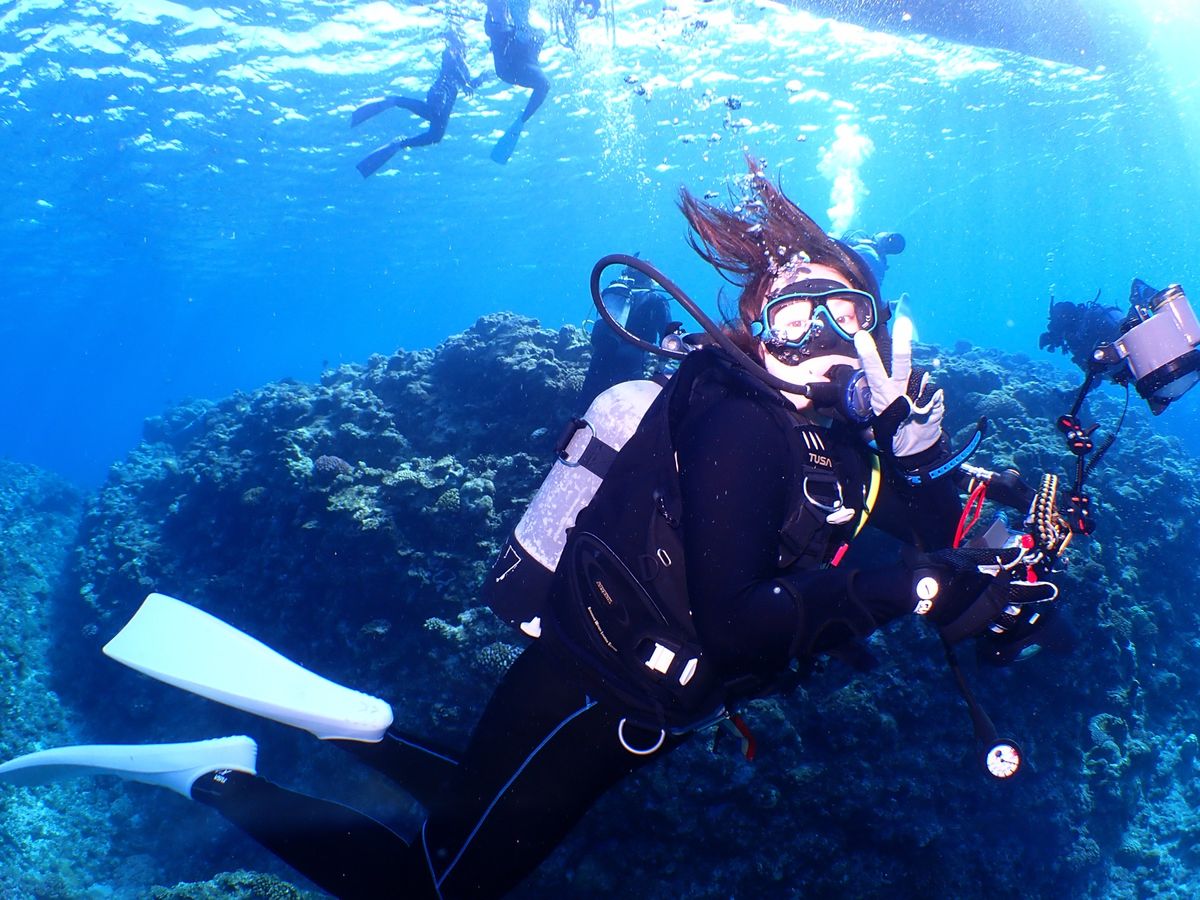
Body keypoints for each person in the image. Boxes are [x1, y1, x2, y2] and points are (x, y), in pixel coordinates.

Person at [0, 161, 1061, 898]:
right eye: (792, 317)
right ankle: (217, 776)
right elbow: (741, 623)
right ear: (752, 322)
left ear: (880, 338)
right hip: (604, 692)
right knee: (438, 886)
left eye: (844, 320)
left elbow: (905, 521)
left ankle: (348, 724)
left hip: (602, 676)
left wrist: (941, 482)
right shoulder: (745, 420)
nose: (818, 341)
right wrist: (914, 586)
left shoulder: (836, 434)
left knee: (475, 798)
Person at [351, 29, 485, 178]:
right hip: (440, 93)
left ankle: (400, 143)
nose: (466, 48)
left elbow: (468, 86)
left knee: (436, 136)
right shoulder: (451, 53)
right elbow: (451, 67)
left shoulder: (463, 65)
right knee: (433, 112)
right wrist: (464, 83)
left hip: (447, 101)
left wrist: (481, 79)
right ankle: (396, 101)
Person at [578, 259, 673, 406]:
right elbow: (668, 336)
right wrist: (660, 367)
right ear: (651, 279)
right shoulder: (655, 298)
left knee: (585, 408)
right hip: (631, 359)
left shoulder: (614, 293)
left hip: (601, 357)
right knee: (626, 411)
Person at [484, 0, 551, 163]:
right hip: (509, 67)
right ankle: (521, 121)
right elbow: (496, 28)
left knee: (543, 84)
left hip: (523, 61)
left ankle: (521, 120)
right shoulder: (495, 26)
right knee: (544, 84)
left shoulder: (515, 23)